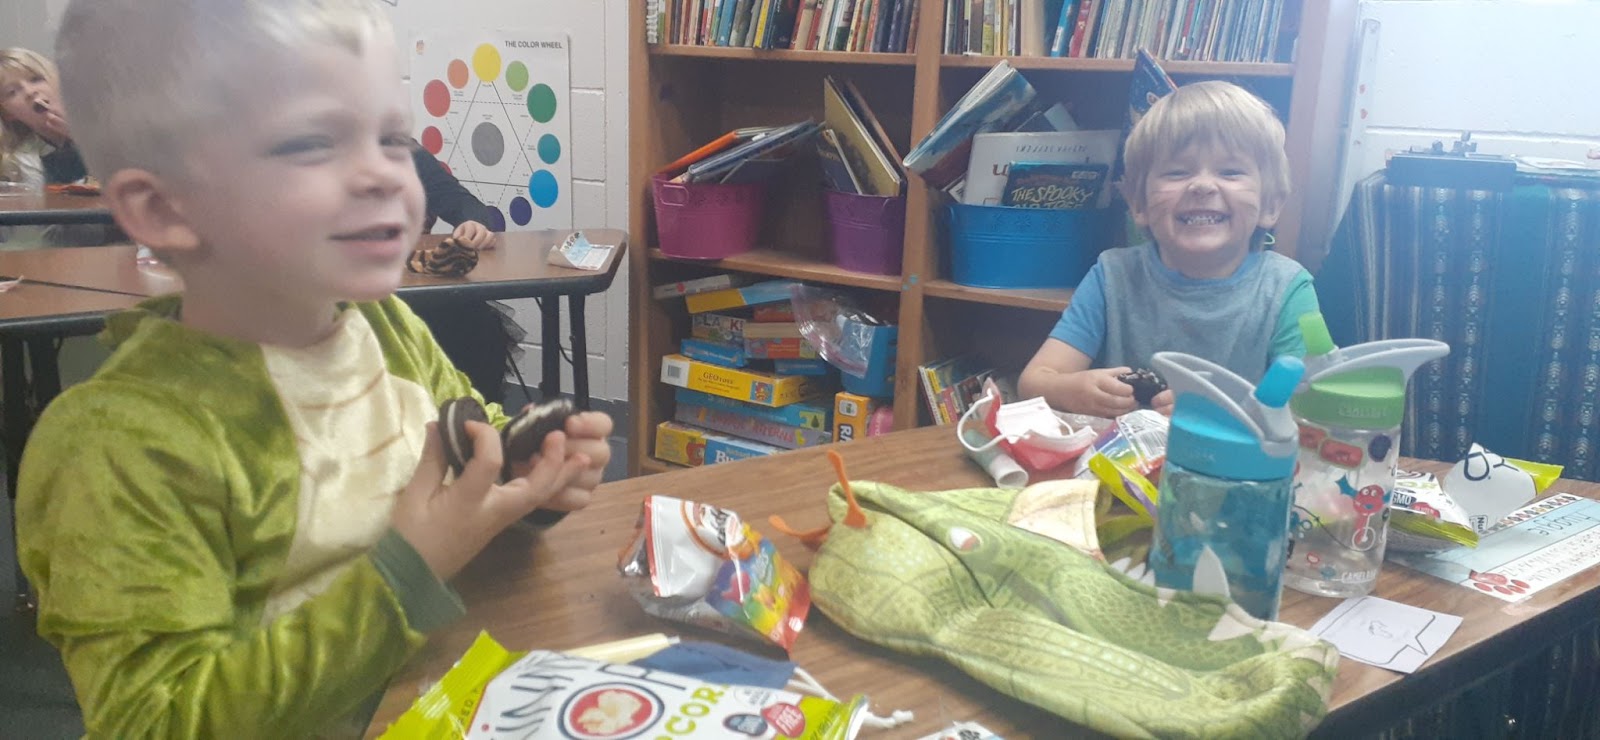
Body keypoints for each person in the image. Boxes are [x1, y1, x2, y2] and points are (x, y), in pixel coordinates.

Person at [16, 1, 613, 737]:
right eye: (310, 144)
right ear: (165, 208)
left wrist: (525, 477)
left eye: (392, 138)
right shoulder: (118, 447)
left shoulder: (386, 326)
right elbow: (154, 721)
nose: (384, 175)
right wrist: (409, 568)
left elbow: (468, 445)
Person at [1018, 81, 1320, 418]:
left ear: (1271, 204)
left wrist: (1225, 409)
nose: (1202, 185)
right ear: (1139, 204)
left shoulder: (1287, 288)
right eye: (1177, 172)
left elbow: (1308, 409)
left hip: (1237, 452)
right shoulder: (1112, 276)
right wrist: (1070, 390)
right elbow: (1034, 381)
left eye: (1230, 171)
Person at [406, 140, 523, 405]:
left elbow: (461, 202)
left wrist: (474, 224)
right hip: (349, 301)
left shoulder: (408, 153)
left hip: (420, 294)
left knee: (475, 324)